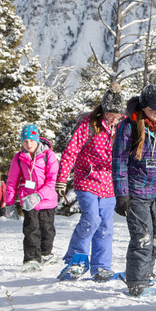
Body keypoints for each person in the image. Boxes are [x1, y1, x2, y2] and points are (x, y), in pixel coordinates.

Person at [112, 84, 156, 297]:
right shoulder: (128, 125)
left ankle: (146, 271)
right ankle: (136, 282)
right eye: (151, 109)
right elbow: (119, 160)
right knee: (143, 237)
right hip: (135, 190)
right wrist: (122, 194)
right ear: (143, 106)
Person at [56, 83, 126, 281]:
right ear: (103, 110)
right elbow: (71, 151)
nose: (113, 118)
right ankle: (76, 259)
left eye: (117, 114)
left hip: (109, 183)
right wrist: (62, 179)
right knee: (91, 218)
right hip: (87, 179)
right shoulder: (89, 124)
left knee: (105, 224)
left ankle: (101, 267)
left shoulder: (122, 127)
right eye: (110, 113)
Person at [5, 124, 59, 271]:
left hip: (47, 201)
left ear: (37, 140)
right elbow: (12, 182)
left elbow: (52, 180)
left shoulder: (49, 155)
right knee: (31, 230)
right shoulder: (19, 158)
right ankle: (31, 259)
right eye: (25, 141)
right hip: (29, 201)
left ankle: (45, 253)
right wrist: (9, 204)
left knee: (47, 230)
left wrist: (39, 195)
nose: (28, 144)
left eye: (31, 141)